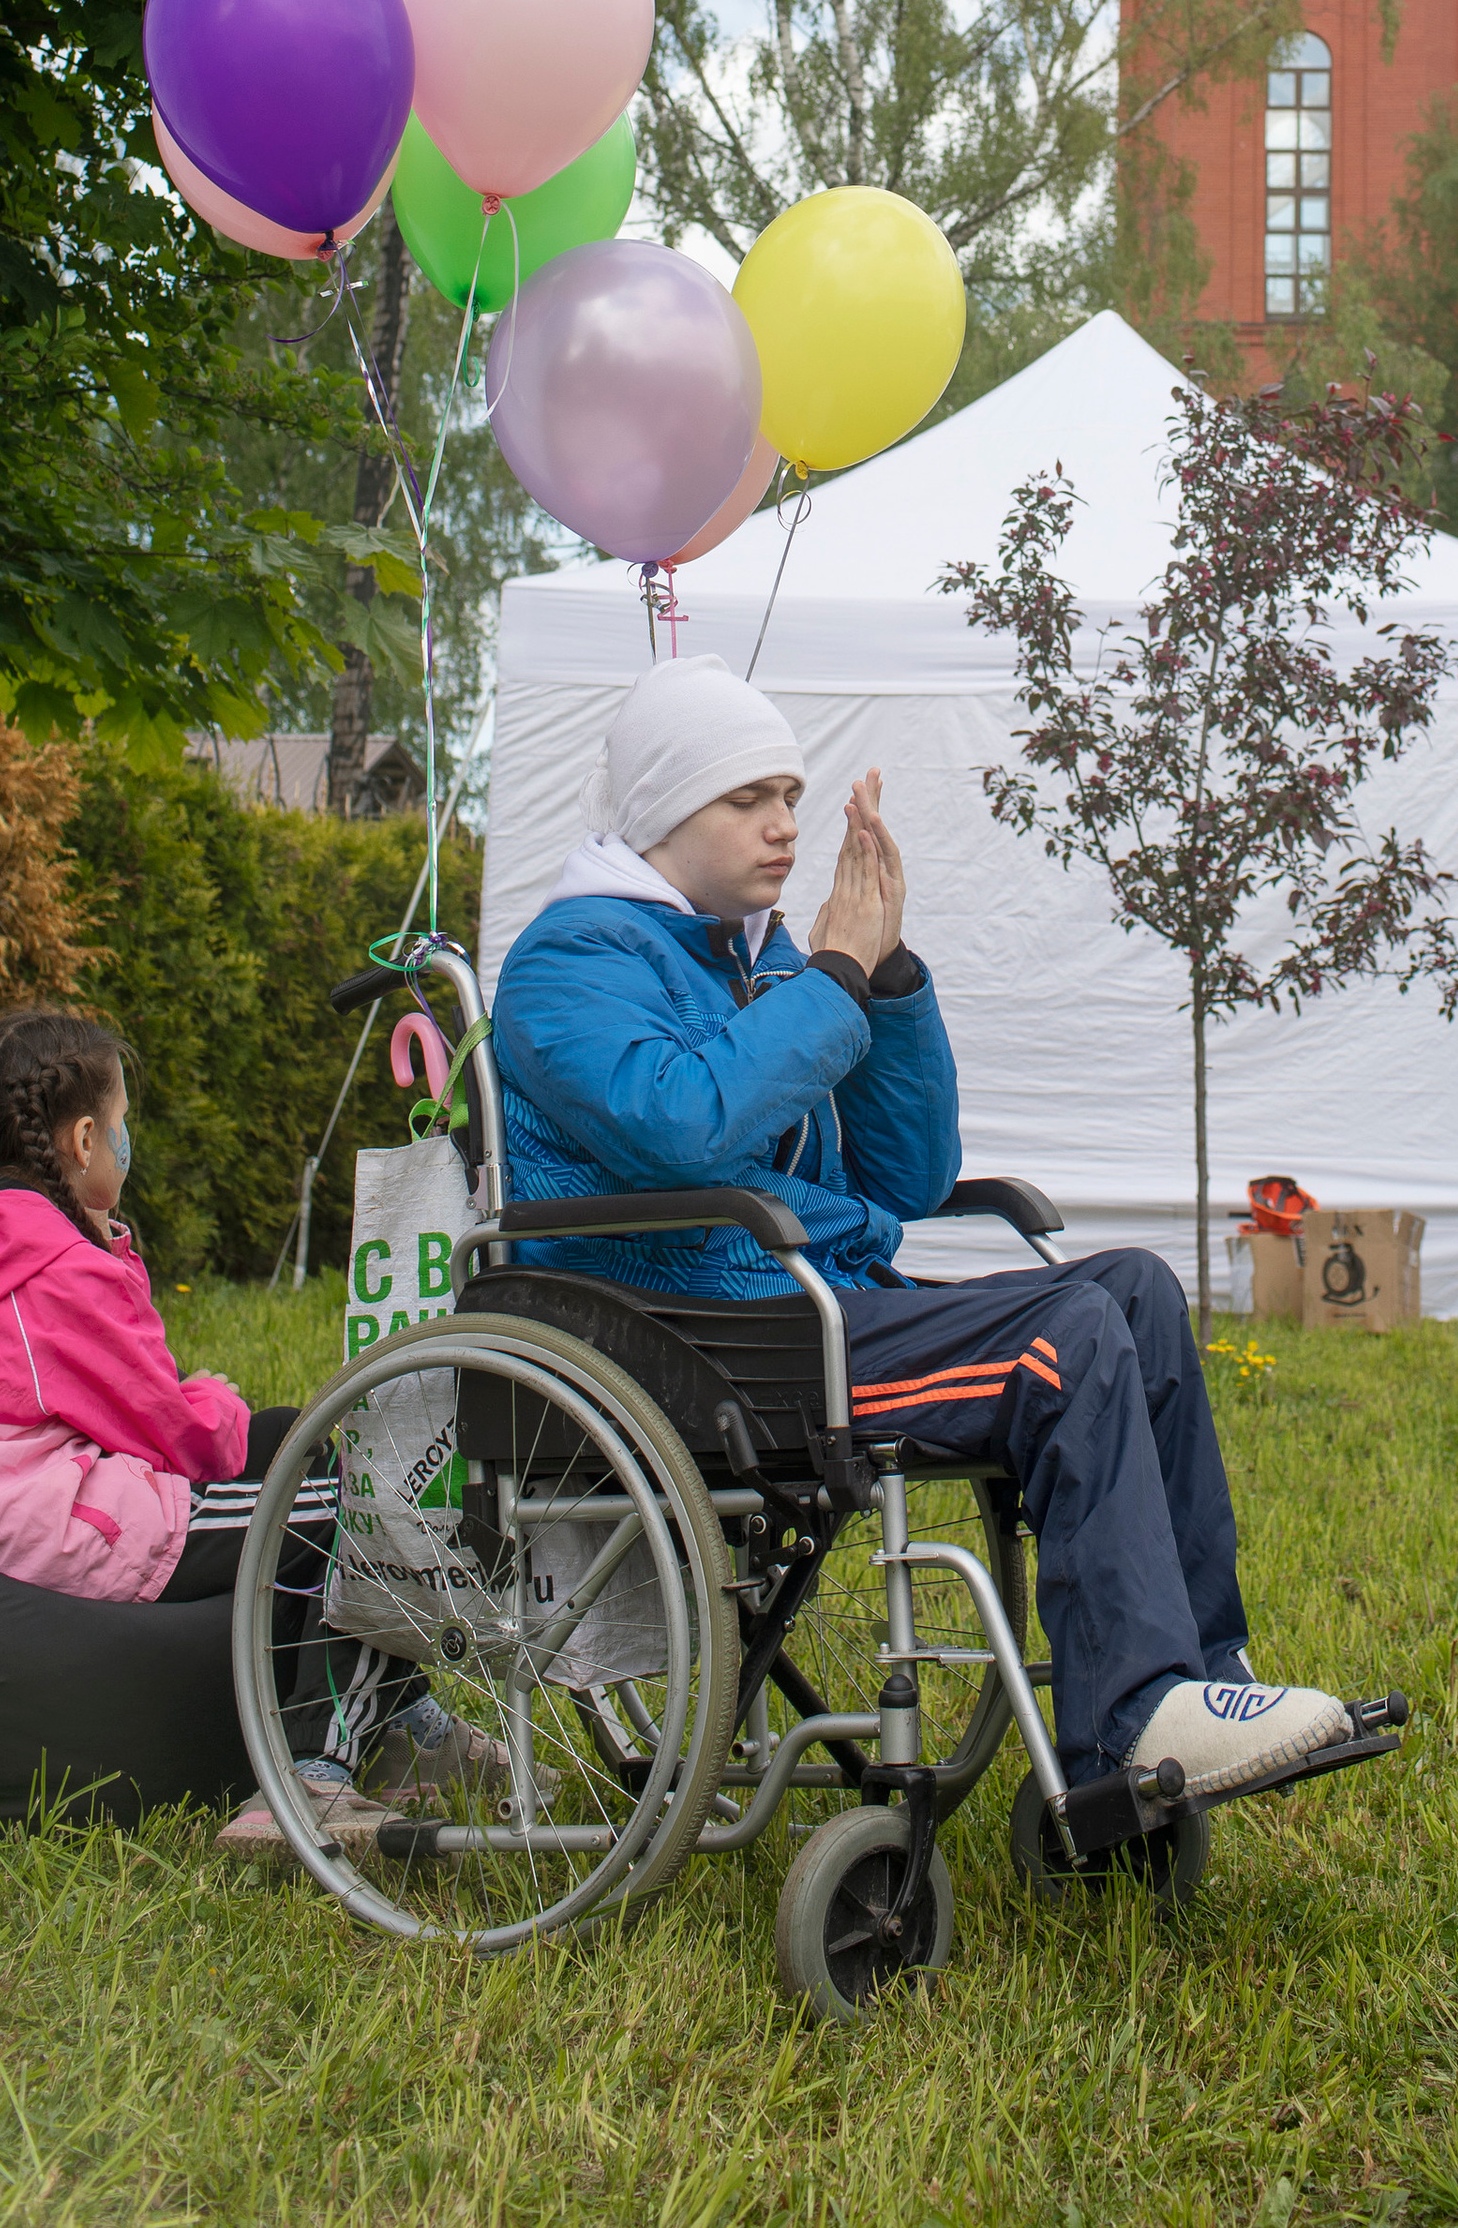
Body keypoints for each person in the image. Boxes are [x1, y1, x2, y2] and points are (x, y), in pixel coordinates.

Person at [494, 653, 1355, 1799]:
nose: (783, 826)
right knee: (1068, 1337)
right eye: (746, 800)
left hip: (800, 1310)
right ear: (658, 811)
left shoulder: (762, 961)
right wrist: (834, 976)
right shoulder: (571, 959)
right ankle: (1133, 1723)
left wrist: (884, 978)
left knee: (1135, 1291)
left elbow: (907, 1176)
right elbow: (680, 1127)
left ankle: (1202, 1672)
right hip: (689, 1336)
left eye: (792, 798)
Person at [0, 1008, 471, 1838]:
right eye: (123, 1127)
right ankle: (314, 1778)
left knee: (294, 1438)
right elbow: (180, 1438)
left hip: (6, 1511)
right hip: (72, 1525)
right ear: (84, 1142)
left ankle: (408, 1730)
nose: (128, 1145)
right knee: (366, 1505)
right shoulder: (54, 1265)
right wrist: (211, 1395)